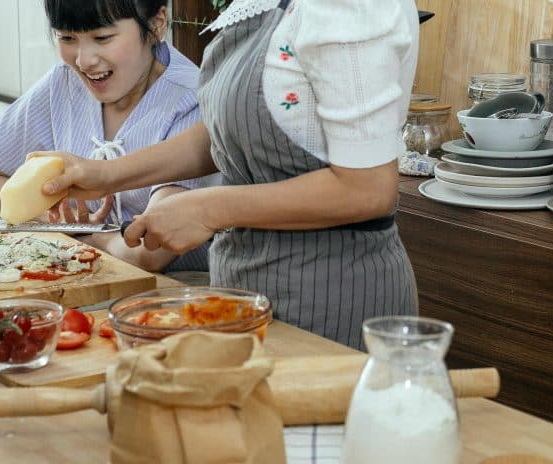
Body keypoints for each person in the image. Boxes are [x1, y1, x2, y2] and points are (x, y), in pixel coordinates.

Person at [34, 0, 420, 350]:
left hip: (330, 298)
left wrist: (208, 208)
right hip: (243, 288)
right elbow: (230, 132)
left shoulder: (351, 10)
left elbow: (369, 189)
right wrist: (103, 174)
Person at [0, 0, 211, 273]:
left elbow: (149, 254)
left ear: (157, 23)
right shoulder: (63, 82)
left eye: (102, 38)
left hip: (175, 298)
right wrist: (52, 219)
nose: (83, 61)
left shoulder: (193, 100)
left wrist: (87, 235)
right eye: (67, 37)